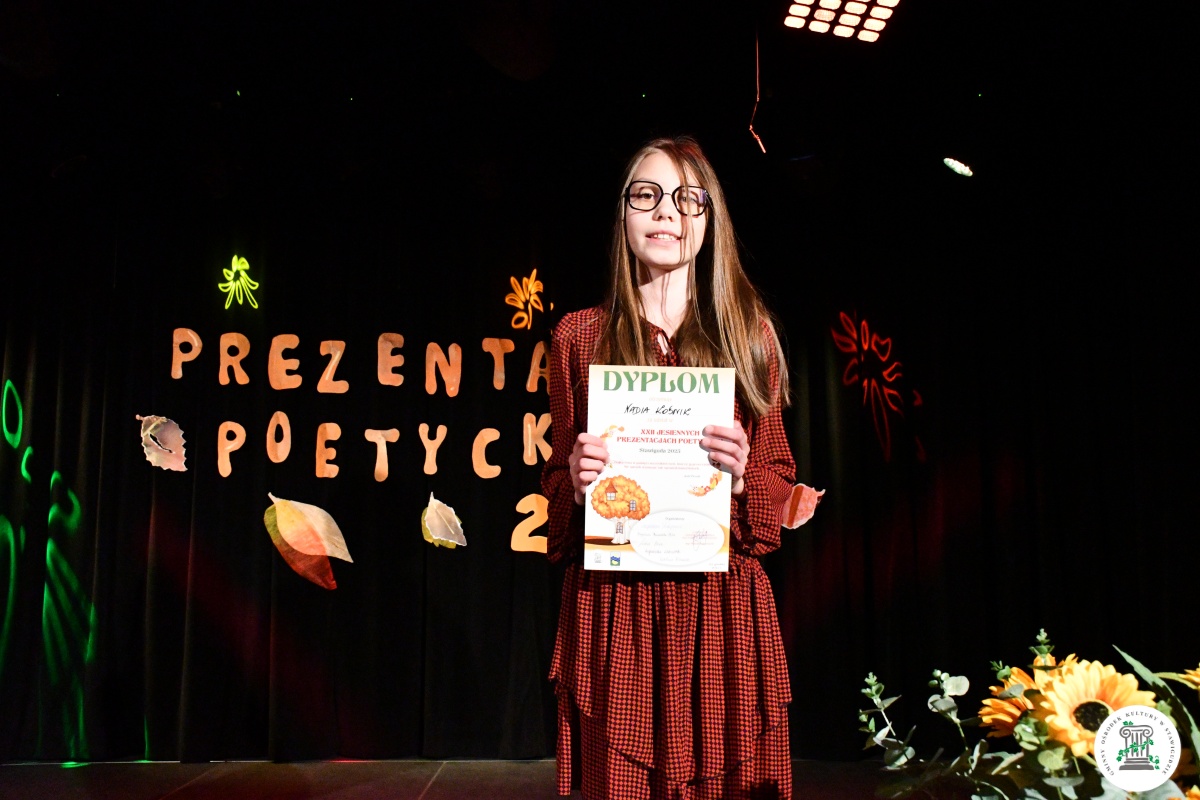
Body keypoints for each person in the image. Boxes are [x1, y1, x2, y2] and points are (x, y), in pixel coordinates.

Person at [541, 135, 797, 800]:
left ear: (710, 220)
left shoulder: (750, 335)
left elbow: (776, 484)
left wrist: (743, 474)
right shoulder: (577, 337)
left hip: (721, 610)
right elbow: (556, 493)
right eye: (646, 195)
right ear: (624, 216)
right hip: (616, 608)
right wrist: (576, 482)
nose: (666, 212)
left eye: (688, 199)